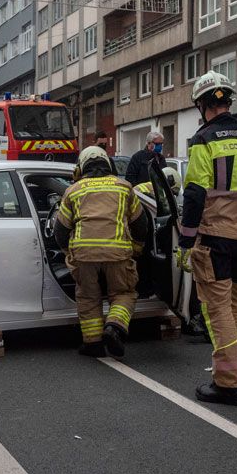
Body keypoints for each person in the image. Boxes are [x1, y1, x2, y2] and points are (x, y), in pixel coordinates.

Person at [177, 72, 237, 406]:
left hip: (215, 238)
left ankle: (228, 383)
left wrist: (186, 241)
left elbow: (195, 195)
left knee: (217, 310)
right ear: (227, 100)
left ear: (203, 105)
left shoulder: (204, 141)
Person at [54, 146, 150, 359]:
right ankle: (114, 328)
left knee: (88, 298)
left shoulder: (74, 190)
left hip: (84, 256)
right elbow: (141, 224)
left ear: (82, 166)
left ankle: (93, 344)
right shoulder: (124, 188)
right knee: (124, 293)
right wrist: (137, 248)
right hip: (117, 255)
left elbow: (60, 230)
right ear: (108, 164)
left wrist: (68, 251)